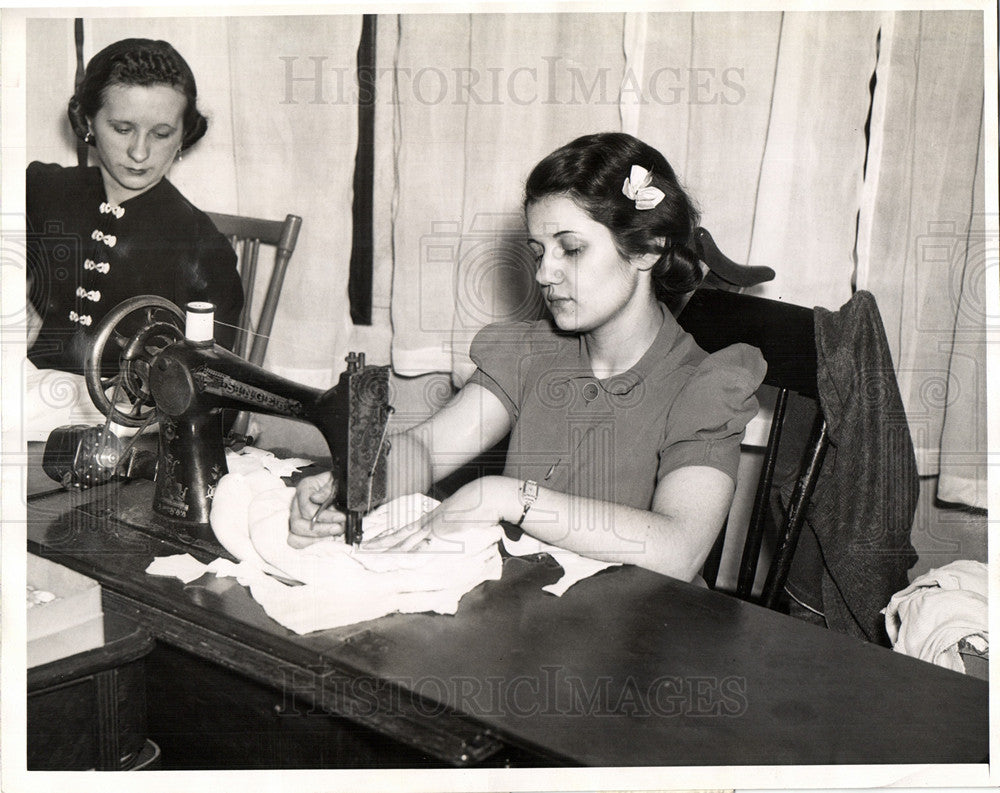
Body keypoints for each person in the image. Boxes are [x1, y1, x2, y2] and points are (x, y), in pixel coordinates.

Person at [290, 132, 766, 582]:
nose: (543, 273)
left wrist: (507, 496)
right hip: (528, 610)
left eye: (571, 250)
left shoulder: (703, 384)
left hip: (638, 637)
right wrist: (356, 483)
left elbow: (678, 549)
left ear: (646, 248)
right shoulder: (532, 353)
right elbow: (430, 447)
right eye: (538, 252)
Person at [26, 38, 243, 382]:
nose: (139, 153)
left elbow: (212, 394)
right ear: (87, 121)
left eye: (161, 133)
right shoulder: (40, 188)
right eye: (122, 129)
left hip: (121, 422)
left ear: (185, 134)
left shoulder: (205, 250)